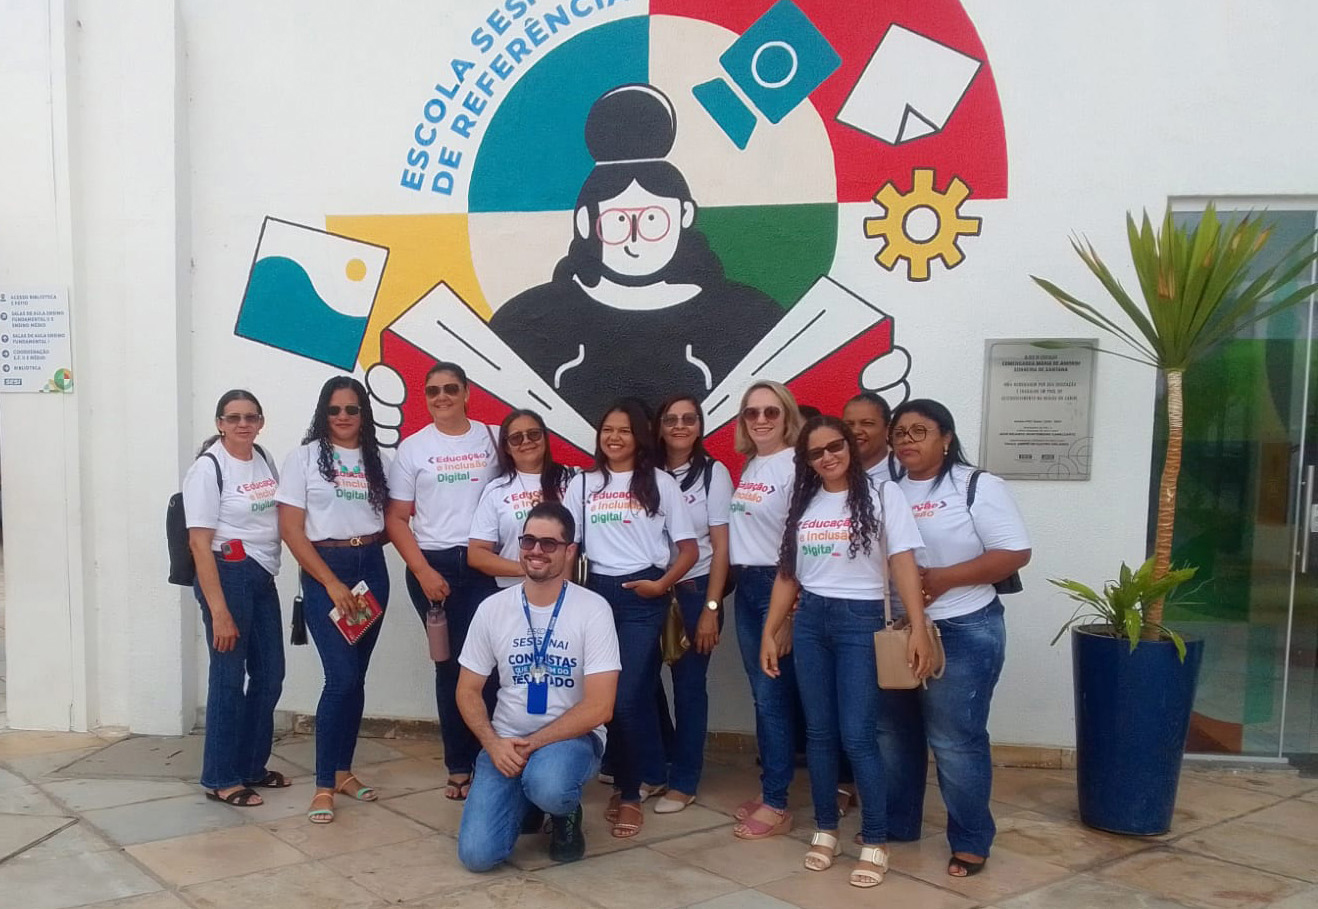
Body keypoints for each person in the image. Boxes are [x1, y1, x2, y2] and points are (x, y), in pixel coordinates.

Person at [489, 84, 782, 425]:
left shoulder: (746, 315)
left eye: (653, 220)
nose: (634, 240)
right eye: (617, 222)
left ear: (685, 215)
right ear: (586, 222)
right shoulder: (527, 319)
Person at [760, 415, 932, 888]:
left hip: (861, 621)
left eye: (835, 446)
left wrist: (917, 626)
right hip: (812, 618)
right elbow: (788, 574)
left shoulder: (882, 495)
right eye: (816, 453)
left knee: (858, 736)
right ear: (807, 460)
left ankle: (875, 839)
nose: (828, 457)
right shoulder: (805, 502)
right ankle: (826, 829)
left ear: (850, 447)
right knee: (818, 734)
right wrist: (770, 632)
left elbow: (902, 562)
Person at [882, 399, 1032, 878]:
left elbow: (1014, 552)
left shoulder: (976, 486)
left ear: (945, 438)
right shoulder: (887, 491)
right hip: (903, 632)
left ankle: (969, 839)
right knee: (895, 736)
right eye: (900, 433)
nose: (907, 440)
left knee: (955, 741)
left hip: (964, 628)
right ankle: (899, 823)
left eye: (919, 431)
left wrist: (944, 578)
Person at [456, 503, 620, 871]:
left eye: (549, 544)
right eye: (529, 540)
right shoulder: (492, 608)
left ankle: (563, 812)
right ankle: (528, 801)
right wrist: (493, 744)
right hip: (505, 742)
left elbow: (600, 707)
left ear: (569, 551)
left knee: (548, 782)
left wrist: (532, 744)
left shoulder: (593, 609)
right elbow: (467, 690)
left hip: (570, 740)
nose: (536, 551)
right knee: (477, 856)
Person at [563, 398, 698, 837]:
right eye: (607, 430)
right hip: (596, 594)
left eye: (623, 430)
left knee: (627, 695)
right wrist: (564, 600)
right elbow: (569, 548)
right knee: (607, 694)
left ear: (639, 437)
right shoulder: (582, 485)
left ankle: (630, 793)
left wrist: (662, 585)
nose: (614, 437)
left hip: (644, 595)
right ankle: (639, 774)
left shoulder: (661, 483)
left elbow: (689, 550)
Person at [276, 376, 391, 824]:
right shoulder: (303, 459)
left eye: (352, 409)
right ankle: (323, 784)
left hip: (371, 570)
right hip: (328, 570)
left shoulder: (379, 459)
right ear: (323, 413)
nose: (343, 417)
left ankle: (343, 770)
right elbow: (291, 530)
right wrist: (329, 584)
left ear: (364, 413)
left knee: (356, 677)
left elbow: (400, 514)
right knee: (340, 678)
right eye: (335, 410)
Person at [386, 362, 499, 800]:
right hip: (434, 568)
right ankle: (459, 765)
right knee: (450, 668)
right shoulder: (413, 449)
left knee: (492, 666)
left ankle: (494, 758)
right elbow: (396, 518)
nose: (442, 397)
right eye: (432, 390)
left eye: (451, 388)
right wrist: (423, 571)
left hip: (486, 566)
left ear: (467, 392)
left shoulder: (491, 437)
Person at [183, 389, 286, 807]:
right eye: (234, 417)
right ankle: (221, 777)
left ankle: (250, 766)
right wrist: (220, 611)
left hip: (261, 575)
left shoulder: (263, 458)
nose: (243, 424)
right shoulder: (209, 469)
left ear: (260, 421)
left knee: (270, 674)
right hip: (227, 575)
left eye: (251, 416)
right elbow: (198, 543)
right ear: (219, 424)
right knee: (228, 677)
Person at [726, 380, 805, 840]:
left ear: (787, 417)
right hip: (749, 585)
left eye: (770, 413)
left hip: (778, 584)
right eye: (752, 413)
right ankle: (770, 788)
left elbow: (798, 541)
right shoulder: (754, 463)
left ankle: (778, 803)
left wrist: (789, 611)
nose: (760, 421)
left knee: (774, 698)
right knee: (763, 695)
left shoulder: (796, 464)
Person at [650, 394, 734, 813]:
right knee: (641, 685)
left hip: (694, 590)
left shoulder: (713, 474)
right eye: (671, 419)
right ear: (659, 426)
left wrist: (712, 610)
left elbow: (721, 548)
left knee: (688, 689)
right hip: (647, 590)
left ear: (700, 426)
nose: (680, 426)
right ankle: (657, 765)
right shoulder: (644, 471)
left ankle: (684, 781)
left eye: (689, 419)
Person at [468, 409, 574, 588]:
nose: (526, 441)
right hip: (514, 590)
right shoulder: (497, 490)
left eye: (533, 434)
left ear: (544, 438)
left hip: (565, 588)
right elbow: (477, 554)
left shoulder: (572, 479)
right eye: (516, 438)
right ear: (507, 447)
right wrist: (531, 570)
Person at [843, 392, 896, 482]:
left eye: (867, 423)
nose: (855, 431)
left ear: (888, 429)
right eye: (849, 424)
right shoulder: (832, 475)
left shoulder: (907, 474)